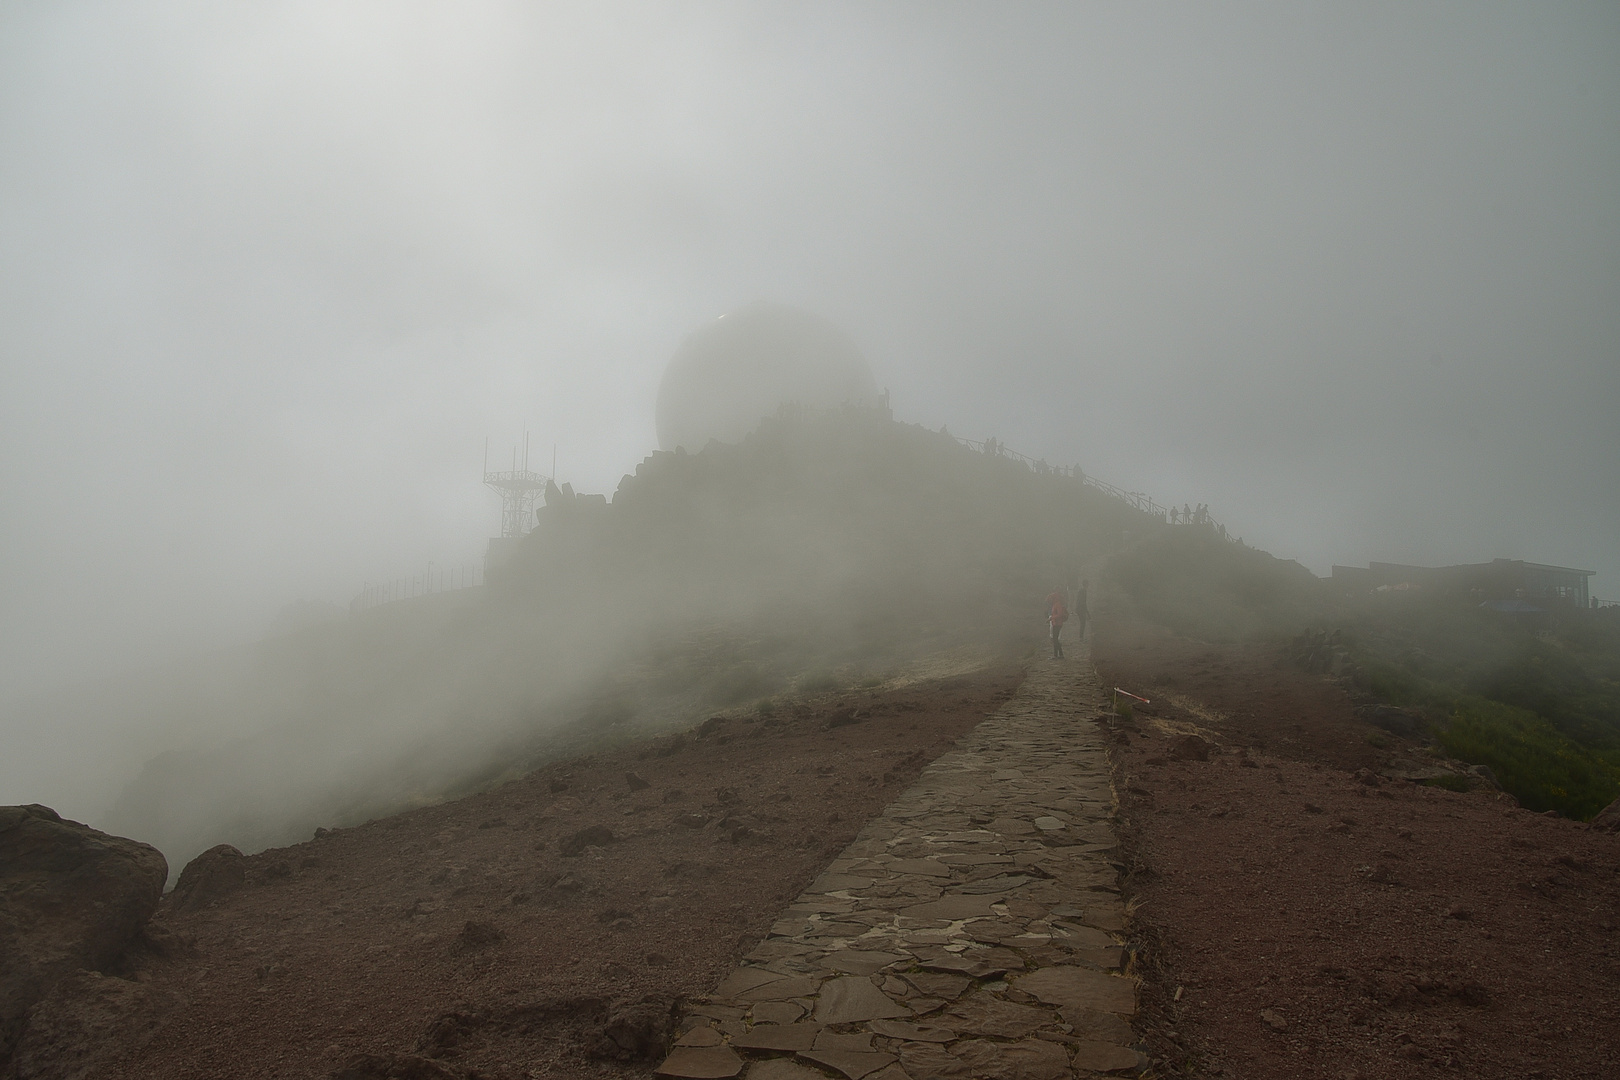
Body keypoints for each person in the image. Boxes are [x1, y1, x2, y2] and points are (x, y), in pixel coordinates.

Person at [1045, 587, 1068, 659]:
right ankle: (1060, 654)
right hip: (1057, 623)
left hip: (1057, 623)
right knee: (1056, 639)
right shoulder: (1057, 604)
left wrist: (1051, 618)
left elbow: (1059, 614)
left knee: (1055, 640)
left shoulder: (1057, 605)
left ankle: (1056, 655)